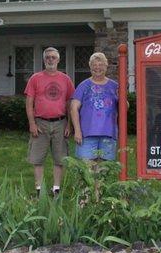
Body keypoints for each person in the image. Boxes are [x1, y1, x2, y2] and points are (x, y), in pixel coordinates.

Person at [25, 47, 75, 196]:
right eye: (48, 57)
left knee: (60, 158)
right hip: (40, 123)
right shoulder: (35, 78)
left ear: (58, 60)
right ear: (44, 59)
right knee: (38, 158)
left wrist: (69, 124)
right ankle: (39, 189)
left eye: (53, 57)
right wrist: (32, 123)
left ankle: (56, 188)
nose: (50, 60)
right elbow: (29, 103)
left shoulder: (65, 79)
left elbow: (69, 103)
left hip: (60, 122)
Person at [70, 52, 119, 161]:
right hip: (87, 134)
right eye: (94, 65)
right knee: (87, 170)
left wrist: (123, 97)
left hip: (109, 134)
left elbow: (124, 108)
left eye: (100, 64)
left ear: (106, 66)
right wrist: (77, 130)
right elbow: (73, 108)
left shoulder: (114, 86)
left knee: (105, 169)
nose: (97, 68)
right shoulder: (83, 85)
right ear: (90, 66)